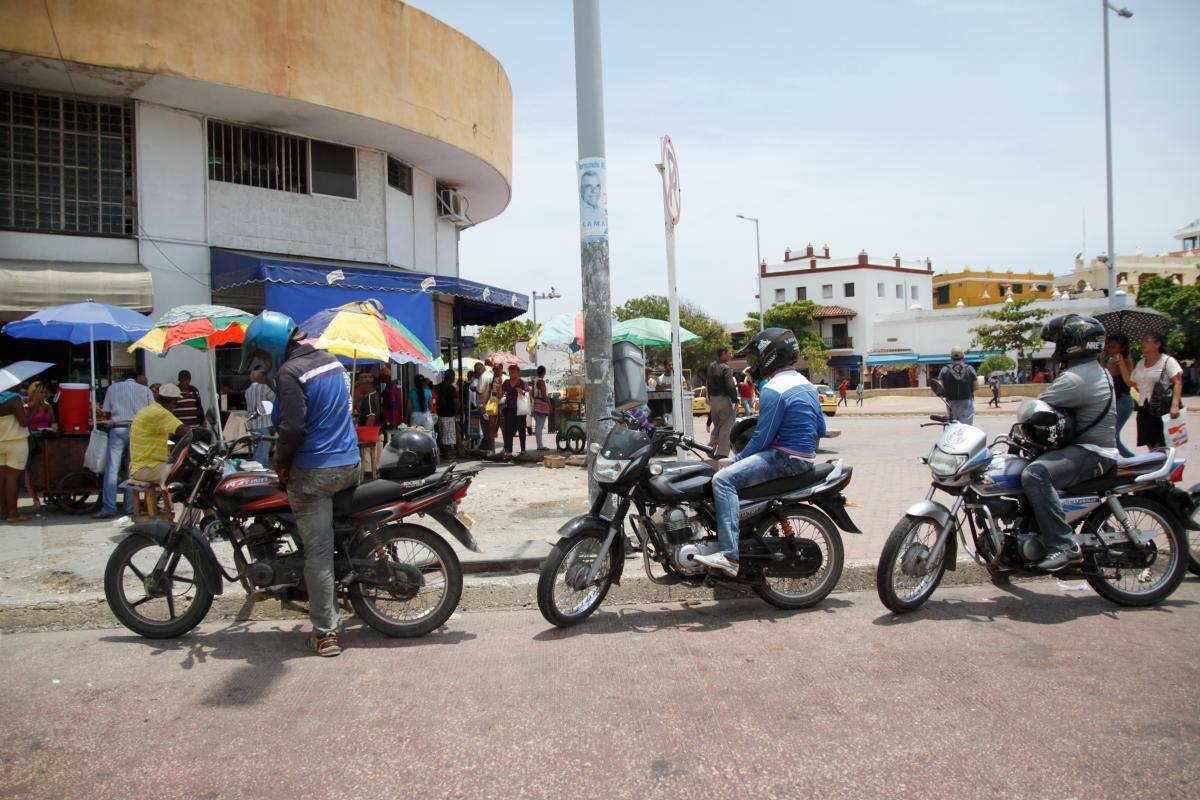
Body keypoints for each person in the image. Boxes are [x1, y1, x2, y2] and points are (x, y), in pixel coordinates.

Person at [241, 310, 360, 657]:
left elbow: (292, 427)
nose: (263, 363)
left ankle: (325, 634)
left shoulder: (291, 372)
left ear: (272, 345)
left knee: (318, 554)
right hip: (348, 464)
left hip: (315, 473)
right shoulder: (331, 362)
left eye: (262, 355)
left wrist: (281, 465)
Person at [694, 328, 826, 577]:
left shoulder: (774, 389)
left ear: (770, 355)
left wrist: (735, 462)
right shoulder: (808, 385)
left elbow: (762, 438)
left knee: (723, 480)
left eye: (757, 355)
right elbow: (821, 428)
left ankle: (730, 555)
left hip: (785, 459)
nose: (754, 362)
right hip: (804, 458)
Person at [1020, 315, 1117, 571]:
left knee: (1036, 474)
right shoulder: (1092, 370)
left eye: (1059, 341)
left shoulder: (1076, 378)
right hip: (1085, 448)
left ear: (1073, 344)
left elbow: (1036, 410)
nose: (1056, 347)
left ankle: (1063, 545)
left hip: (1092, 452)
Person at [96, 368, 154, 519]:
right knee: (132, 470)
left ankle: (109, 508)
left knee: (112, 470)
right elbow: (152, 413)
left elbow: (106, 411)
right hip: (138, 432)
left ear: (123, 378)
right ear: (136, 378)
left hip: (118, 429)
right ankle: (130, 507)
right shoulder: (145, 390)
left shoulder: (113, 388)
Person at [128, 383, 189, 520]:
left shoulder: (148, 410)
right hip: (147, 468)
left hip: (142, 465)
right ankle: (188, 522)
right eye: (176, 402)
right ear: (173, 401)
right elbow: (185, 431)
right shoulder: (160, 413)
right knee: (190, 478)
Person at [1130, 331, 1183, 451]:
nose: (1143, 343)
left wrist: (1175, 405)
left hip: (1161, 406)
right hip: (1144, 406)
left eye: (1147, 341)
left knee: (1161, 444)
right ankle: (1161, 467)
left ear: (1157, 344)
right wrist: (1122, 363)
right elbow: (1131, 382)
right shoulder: (1140, 363)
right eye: (1142, 341)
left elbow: (1178, 382)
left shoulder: (1168, 361)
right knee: (1150, 443)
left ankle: (1166, 467)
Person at [23, 381, 56, 516]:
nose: (43, 395)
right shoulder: (27, 407)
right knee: (28, 469)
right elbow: (24, 424)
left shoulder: (48, 406)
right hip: (31, 440)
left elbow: (53, 422)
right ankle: (34, 497)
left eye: (44, 392)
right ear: (33, 393)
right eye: (40, 392)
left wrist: (53, 427)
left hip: (45, 438)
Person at [1100, 333, 1136, 458]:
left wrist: (1117, 363)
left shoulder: (1125, 360)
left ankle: (1134, 461)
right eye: (1108, 347)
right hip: (1116, 401)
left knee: (1113, 438)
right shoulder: (1112, 360)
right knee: (1113, 438)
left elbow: (1108, 375)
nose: (1110, 350)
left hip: (1123, 402)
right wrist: (1103, 359)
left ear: (1123, 348)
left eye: (1113, 347)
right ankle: (1132, 461)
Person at [0, 383, 31, 522]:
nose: (22, 385)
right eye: (20, 383)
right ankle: (13, 513)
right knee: (12, 478)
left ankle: (3, 511)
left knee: (2, 479)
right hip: (15, 442)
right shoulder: (14, 399)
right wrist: (34, 408)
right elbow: (24, 422)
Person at [706, 345, 738, 459]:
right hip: (724, 399)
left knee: (717, 426)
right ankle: (722, 453)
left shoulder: (711, 366)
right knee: (726, 426)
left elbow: (708, 384)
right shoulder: (726, 367)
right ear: (723, 353)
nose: (731, 355)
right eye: (729, 353)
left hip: (713, 400)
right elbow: (730, 386)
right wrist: (735, 399)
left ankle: (710, 448)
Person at [937, 347, 979, 426]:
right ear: (963, 356)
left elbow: (939, 386)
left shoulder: (944, 369)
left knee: (953, 427)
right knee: (966, 428)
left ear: (951, 357)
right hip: (966, 401)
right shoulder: (970, 369)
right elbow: (976, 386)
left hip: (951, 402)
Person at [245, 369, 276, 467]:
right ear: (260, 377)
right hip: (263, 424)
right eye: (263, 375)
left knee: (257, 450)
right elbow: (275, 400)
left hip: (252, 425)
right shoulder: (264, 388)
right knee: (262, 452)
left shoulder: (248, 390)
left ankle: (256, 471)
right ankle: (260, 474)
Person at [501, 364, 529, 460]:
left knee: (521, 430)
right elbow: (500, 395)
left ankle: (523, 450)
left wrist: (521, 391)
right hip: (510, 409)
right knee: (508, 431)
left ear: (518, 372)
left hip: (520, 410)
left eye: (513, 371)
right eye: (510, 372)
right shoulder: (506, 382)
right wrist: (499, 387)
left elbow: (527, 393)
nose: (511, 373)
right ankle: (508, 452)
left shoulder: (522, 382)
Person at [436, 370, 459, 460]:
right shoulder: (450, 387)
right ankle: (446, 454)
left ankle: (442, 452)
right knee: (447, 435)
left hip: (440, 413)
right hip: (448, 413)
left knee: (441, 434)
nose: (454, 378)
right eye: (454, 375)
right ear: (451, 376)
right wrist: (456, 412)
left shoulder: (439, 386)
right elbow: (456, 402)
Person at [532, 365, 551, 450]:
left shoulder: (534, 381)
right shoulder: (541, 382)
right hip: (541, 405)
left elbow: (532, 394)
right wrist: (549, 404)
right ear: (544, 372)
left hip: (536, 404)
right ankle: (540, 446)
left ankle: (539, 445)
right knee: (540, 426)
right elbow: (544, 395)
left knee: (538, 426)